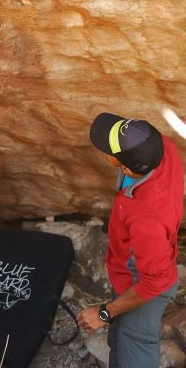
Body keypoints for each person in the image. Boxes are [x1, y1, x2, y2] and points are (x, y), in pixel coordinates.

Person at [77, 113, 183, 367]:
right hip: (137, 264)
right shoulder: (161, 147)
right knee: (119, 339)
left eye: (109, 150)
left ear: (126, 167)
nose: (104, 151)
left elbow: (154, 282)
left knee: (133, 348)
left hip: (143, 282)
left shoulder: (148, 219)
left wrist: (105, 312)